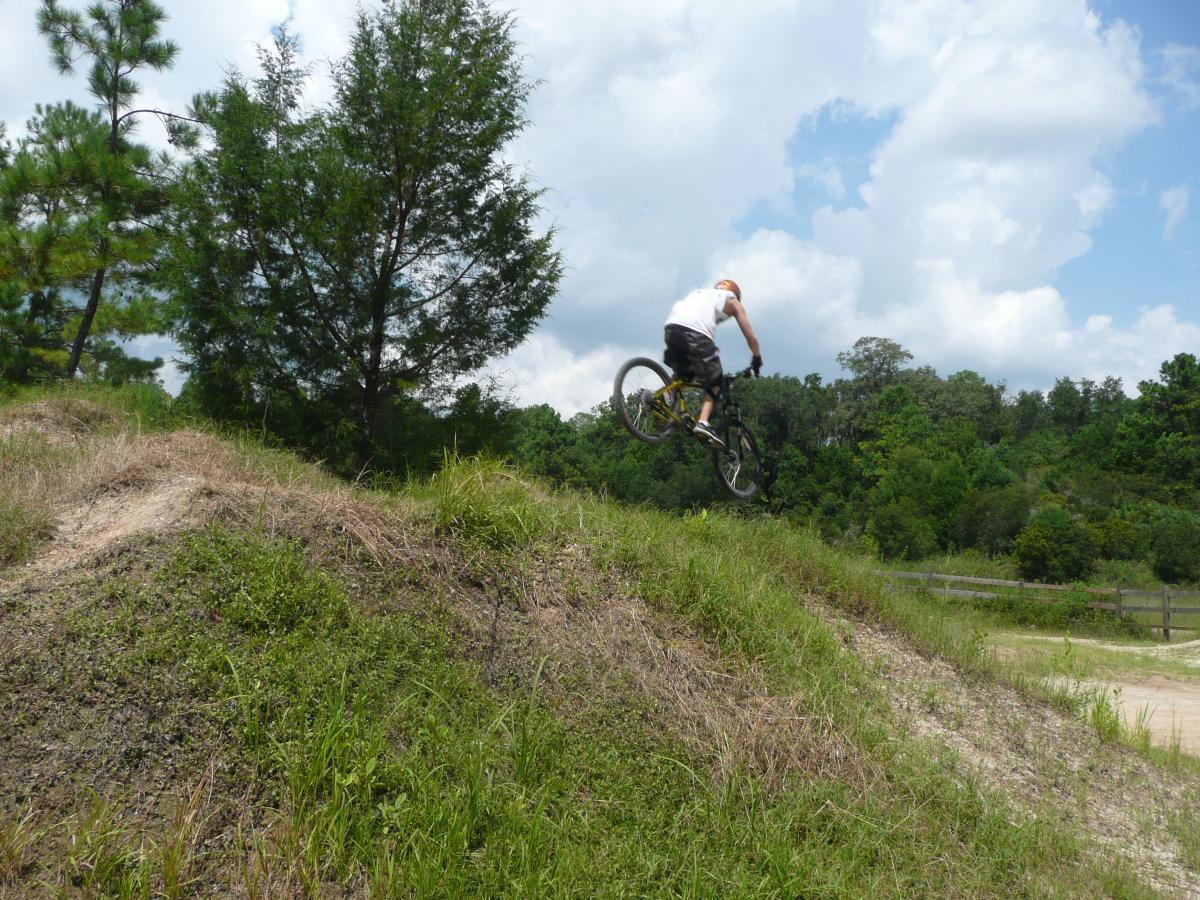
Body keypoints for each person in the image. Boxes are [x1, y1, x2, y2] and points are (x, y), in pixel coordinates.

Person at [663, 278, 762, 444]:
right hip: (695, 334)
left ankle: (663, 397)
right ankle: (703, 422)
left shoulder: (702, 294)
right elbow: (750, 336)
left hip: (671, 329)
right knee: (715, 381)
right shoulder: (733, 301)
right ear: (735, 294)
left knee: (683, 374)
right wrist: (757, 358)